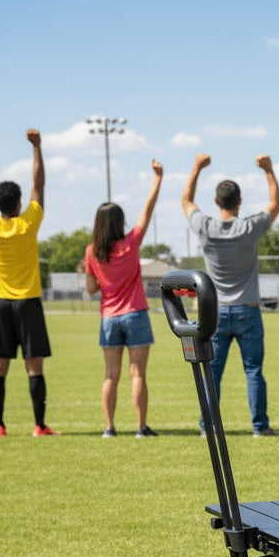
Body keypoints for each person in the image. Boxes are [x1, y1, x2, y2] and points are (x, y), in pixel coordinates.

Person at [182, 152, 279, 436]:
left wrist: (196, 167)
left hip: (214, 311)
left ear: (216, 202)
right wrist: (268, 170)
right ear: (239, 203)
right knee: (253, 371)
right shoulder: (249, 227)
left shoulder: (206, 227)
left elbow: (186, 201)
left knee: (212, 373)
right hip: (247, 308)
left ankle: (208, 426)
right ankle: (259, 427)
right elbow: (276, 204)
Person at [0, 129, 55, 437]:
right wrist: (37, 147)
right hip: (28, 302)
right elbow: (39, 185)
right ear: (19, 204)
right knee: (34, 366)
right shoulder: (28, 223)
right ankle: (39, 425)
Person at [82, 160, 164, 437]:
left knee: (110, 375)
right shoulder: (130, 243)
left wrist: (88, 271)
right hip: (136, 313)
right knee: (137, 374)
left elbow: (92, 289)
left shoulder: (92, 251)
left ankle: (109, 428)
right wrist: (157, 178)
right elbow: (148, 209)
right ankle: (141, 427)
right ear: (119, 222)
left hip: (109, 317)